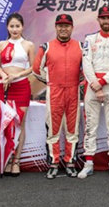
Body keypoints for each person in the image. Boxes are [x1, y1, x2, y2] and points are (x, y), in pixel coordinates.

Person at [79, 6, 109, 180]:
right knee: (90, 125)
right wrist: (96, 84)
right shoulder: (90, 39)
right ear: (98, 20)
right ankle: (88, 163)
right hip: (92, 85)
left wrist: (101, 82)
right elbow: (86, 63)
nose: (106, 20)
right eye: (103, 18)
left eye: (108, 17)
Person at [32, 13, 83, 179]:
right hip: (54, 92)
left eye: (66, 26)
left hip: (73, 92)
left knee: (72, 130)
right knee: (53, 130)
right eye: (60, 26)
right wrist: (50, 80)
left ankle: (70, 162)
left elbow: (86, 69)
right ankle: (53, 163)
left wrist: (78, 81)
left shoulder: (80, 47)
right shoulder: (46, 47)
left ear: (72, 28)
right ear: (56, 27)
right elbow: (36, 69)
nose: (63, 29)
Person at [0, 13, 36, 177]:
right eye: (11, 26)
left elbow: (32, 67)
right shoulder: (1, 44)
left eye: (17, 26)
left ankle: (16, 160)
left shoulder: (28, 45)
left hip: (21, 86)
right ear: (7, 27)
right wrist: (4, 76)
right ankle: (6, 158)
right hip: (4, 86)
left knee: (20, 123)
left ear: (22, 27)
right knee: (5, 123)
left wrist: (17, 75)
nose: (14, 29)